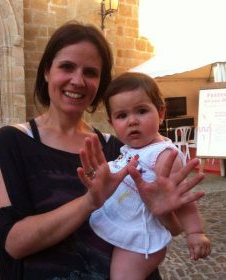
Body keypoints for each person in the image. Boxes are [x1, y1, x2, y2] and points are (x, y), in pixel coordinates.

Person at [0, 21, 205, 280]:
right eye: (67, 67)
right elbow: (14, 243)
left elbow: (171, 227)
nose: (77, 81)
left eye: (90, 72)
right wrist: (89, 202)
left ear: (100, 83)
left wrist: (166, 214)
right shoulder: (11, 142)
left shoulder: (119, 149)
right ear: (47, 71)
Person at [85, 72, 211, 280]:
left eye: (141, 111)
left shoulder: (163, 155)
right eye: (122, 116)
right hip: (124, 223)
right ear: (111, 122)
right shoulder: (128, 149)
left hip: (141, 235)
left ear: (161, 113)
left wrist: (195, 232)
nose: (132, 121)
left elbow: (181, 198)